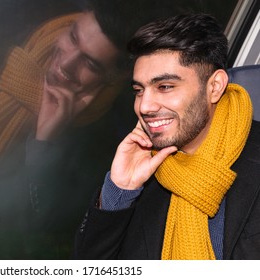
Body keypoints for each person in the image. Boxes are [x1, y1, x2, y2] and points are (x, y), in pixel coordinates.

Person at [0, 0, 137, 258]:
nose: (67, 64)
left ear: (111, 79)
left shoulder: (99, 151)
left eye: (91, 64)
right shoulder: (22, 49)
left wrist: (44, 144)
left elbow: (29, 237)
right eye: (73, 38)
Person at [74, 13, 260, 260]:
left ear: (214, 87)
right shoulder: (143, 176)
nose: (144, 106)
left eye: (165, 87)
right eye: (139, 90)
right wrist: (120, 190)